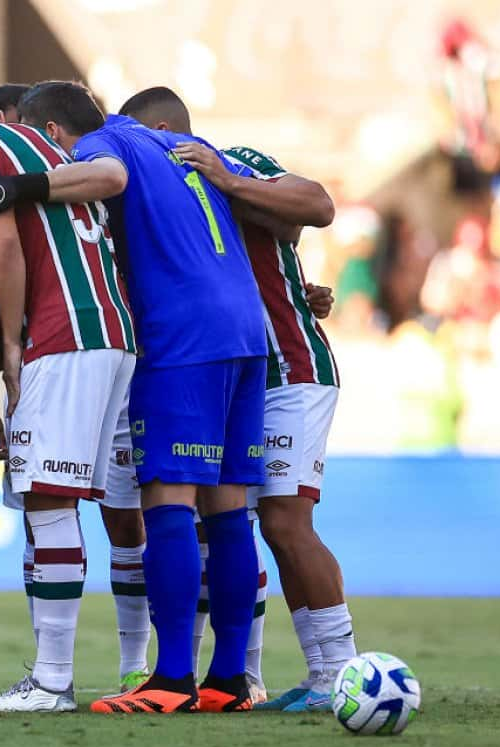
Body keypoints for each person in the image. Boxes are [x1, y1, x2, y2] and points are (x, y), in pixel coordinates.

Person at [0, 80, 267, 714]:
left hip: (182, 335)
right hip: (247, 329)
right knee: (228, 506)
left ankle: (173, 680)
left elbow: (105, 178)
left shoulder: (104, 142)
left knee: (168, 501)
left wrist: (22, 187)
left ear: (52, 132)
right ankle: (229, 679)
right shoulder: (185, 146)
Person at [120, 87, 355, 712]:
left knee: (282, 519)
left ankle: (344, 669)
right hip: (225, 371)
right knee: (224, 525)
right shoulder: (155, 195)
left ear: (170, 132)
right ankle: (255, 674)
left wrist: (225, 176)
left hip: (288, 368)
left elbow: (317, 203)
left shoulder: (231, 161)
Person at [0, 77, 138, 713]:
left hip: (63, 333)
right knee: (53, 500)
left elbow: (2, 246)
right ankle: (61, 675)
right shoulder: (56, 155)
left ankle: (52, 682)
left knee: (48, 501)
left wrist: (15, 347)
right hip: (113, 332)